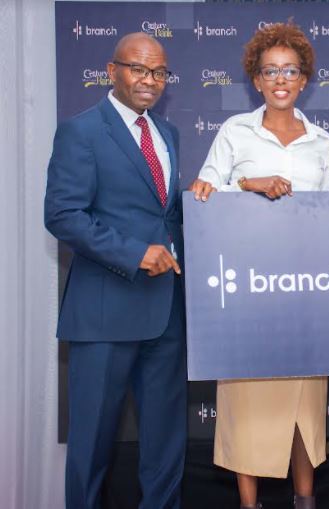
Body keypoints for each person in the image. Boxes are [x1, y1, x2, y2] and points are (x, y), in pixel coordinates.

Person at [189, 22, 329, 509]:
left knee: (303, 411)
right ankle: (249, 505)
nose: (280, 79)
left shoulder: (323, 142)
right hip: (246, 296)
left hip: (307, 294)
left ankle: (305, 501)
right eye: (270, 71)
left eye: (290, 70)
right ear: (256, 80)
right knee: (248, 410)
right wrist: (247, 185)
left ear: (304, 79)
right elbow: (203, 197)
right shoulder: (234, 132)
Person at [44, 33, 186, 508]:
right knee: (91, 446)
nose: (150, 81)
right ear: (112, 71)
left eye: (160, 72)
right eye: (139, 69)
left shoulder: (168, 134)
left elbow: (167, 216)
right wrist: (134, 253)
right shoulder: (81, 131)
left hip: (166, 313)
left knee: (166, 445)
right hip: (104, 313)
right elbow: (63, 214)